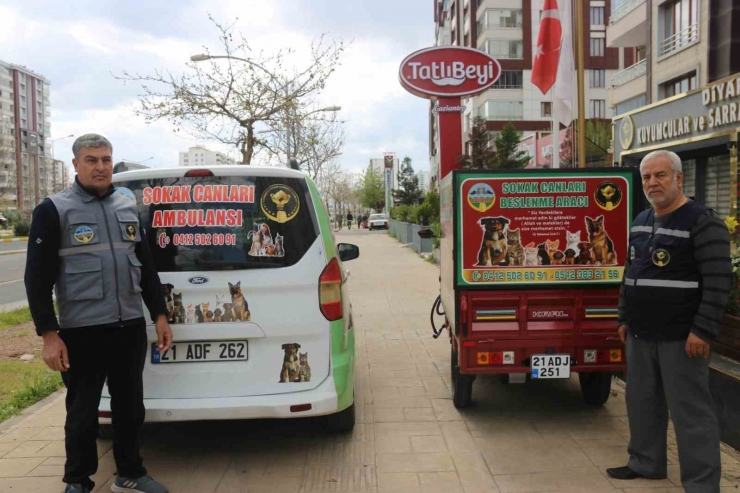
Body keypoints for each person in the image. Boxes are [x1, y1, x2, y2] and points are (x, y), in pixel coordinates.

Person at [25, 134, 172, 493]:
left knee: (129, 408)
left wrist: (160, 315)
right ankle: (77, 480)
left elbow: (147, 267)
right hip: (81, 331)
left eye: (106, 159)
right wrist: (49, 335)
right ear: (75, 164)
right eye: (91, 160)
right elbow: (37, 279)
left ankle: (130, 474)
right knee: (82, 415)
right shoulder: (53, 210)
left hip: (129, 327)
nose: (101, 166)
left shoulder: (127, 207)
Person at [608, 150, 731, 493]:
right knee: (642, 403)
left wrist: (702, 330)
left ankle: (702, 484)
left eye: (660, 175)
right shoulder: (642, 220)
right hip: (641, 333)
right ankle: (646, 463)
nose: (652, 183)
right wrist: (623, 317)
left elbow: (719, 280)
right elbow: (631, 274)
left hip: (682, 337)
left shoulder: (703, 221)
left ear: (679, 178)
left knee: (691, 412)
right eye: (647, 177)